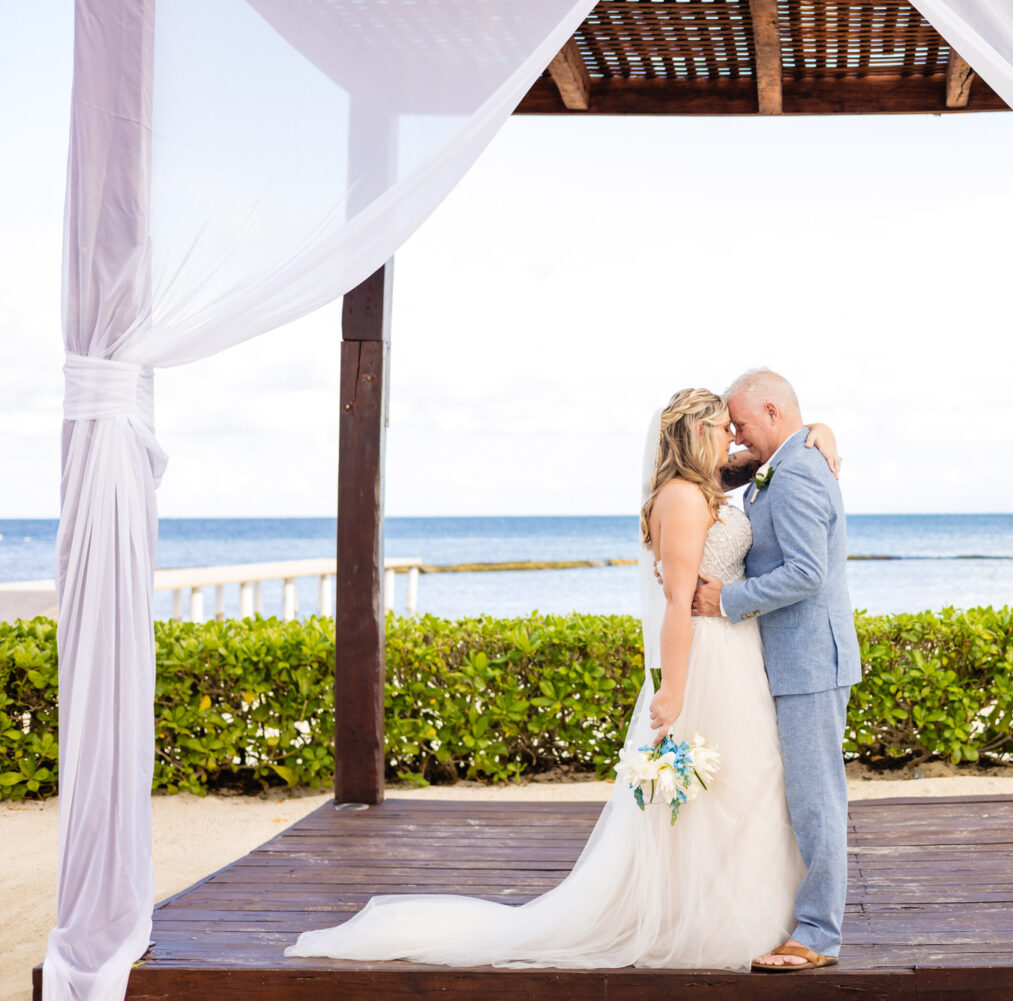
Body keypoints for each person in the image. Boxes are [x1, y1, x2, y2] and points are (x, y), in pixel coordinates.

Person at [282, 386, 843, 972]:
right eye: (723, 427)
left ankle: (763, 917)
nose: (733, 436)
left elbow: (770, 464)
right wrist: (672, 690)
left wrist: (817, 432)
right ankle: (709, 921)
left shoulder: (711, 487)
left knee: (753, 790)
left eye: (737, 425)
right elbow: (679, 602)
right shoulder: (681, 498)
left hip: (740, 657)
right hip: (709, 660)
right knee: (721, 795)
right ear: (697, 433)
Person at [691, 368, 861, 972]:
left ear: (770, 411)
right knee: (798, 797)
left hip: (811, 660)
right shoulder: (783, 462)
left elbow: (808, 573)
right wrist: (819, 427)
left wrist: (724, 601)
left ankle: (818, 934)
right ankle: (804, 918)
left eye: (741, 424)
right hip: (789, 659)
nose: (736, 437)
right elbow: (713, 466)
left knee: (817, 800)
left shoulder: (796, 475)